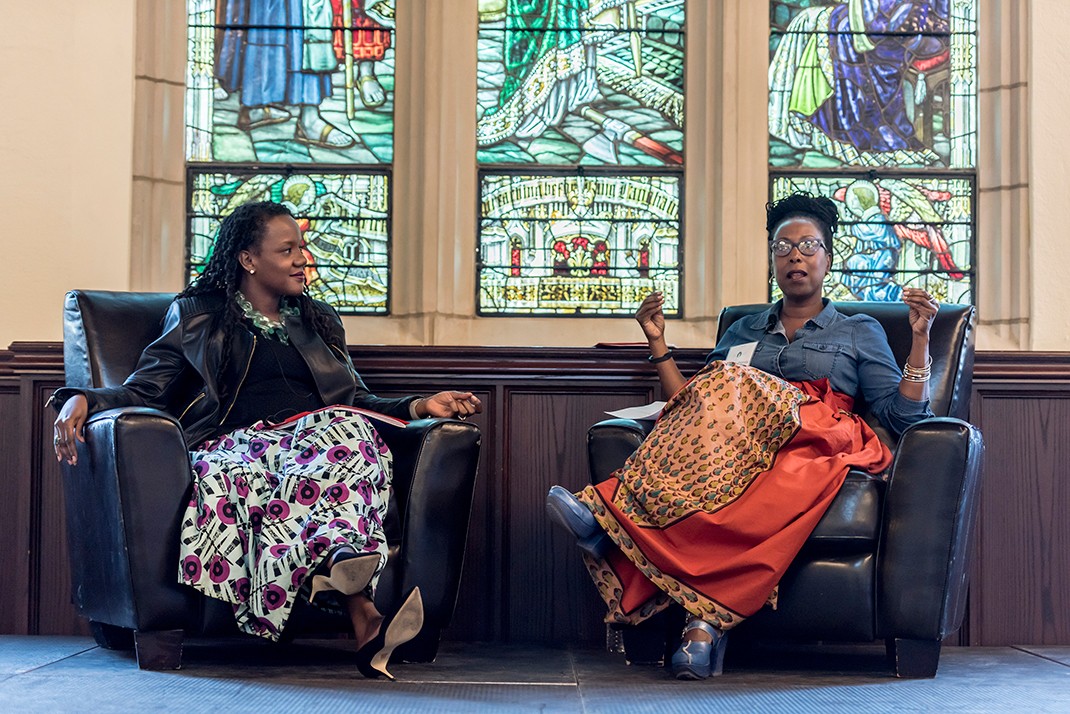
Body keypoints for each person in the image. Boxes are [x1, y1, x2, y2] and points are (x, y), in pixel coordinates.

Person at [51, 201, 482, 679]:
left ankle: (350, 585)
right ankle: (353, 592)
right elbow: (145, 388)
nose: (303, 258)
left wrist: (421, 407)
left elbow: (354, 397)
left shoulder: (317, 321)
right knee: (282, 467)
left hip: (320, 440)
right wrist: (82, 398)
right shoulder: (197, 315)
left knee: (352, 436)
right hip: (238, 445)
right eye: (288, 249)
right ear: (248, 259)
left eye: (302, 247)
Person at [546, 193, 939, 680]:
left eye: (809, 245)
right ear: (773, 259)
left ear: (829, 258)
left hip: (815, 434)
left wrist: (919, 339)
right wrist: (658, 344)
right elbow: (694, 404)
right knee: (717, 421)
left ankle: (608, 520)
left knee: (730, 395)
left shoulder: (860, 330)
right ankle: (701, 631)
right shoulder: (744, 329)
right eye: (783, 246)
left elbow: (902, 417)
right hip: (745, 441)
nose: (795, 255)